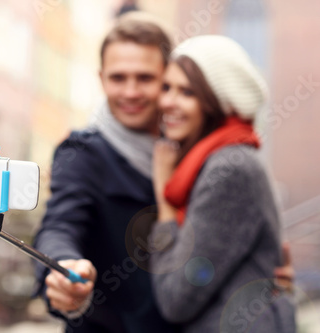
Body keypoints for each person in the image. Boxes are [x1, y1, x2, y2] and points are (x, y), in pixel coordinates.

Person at [33, 12, 294, 333]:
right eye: (118, 78)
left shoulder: (199, 153)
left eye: (146, 78)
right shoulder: (84, 153)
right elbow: (59, 226)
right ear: (101, 79)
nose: (130, 92)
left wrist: (260, 274)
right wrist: (64, 269)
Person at [149, 35, 296, 332]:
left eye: (187, 92)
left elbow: (176, 298)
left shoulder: (231, 168)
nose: (167, 102)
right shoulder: (211, 160)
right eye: (167, 87)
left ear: (217, 101)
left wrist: (165, 207)